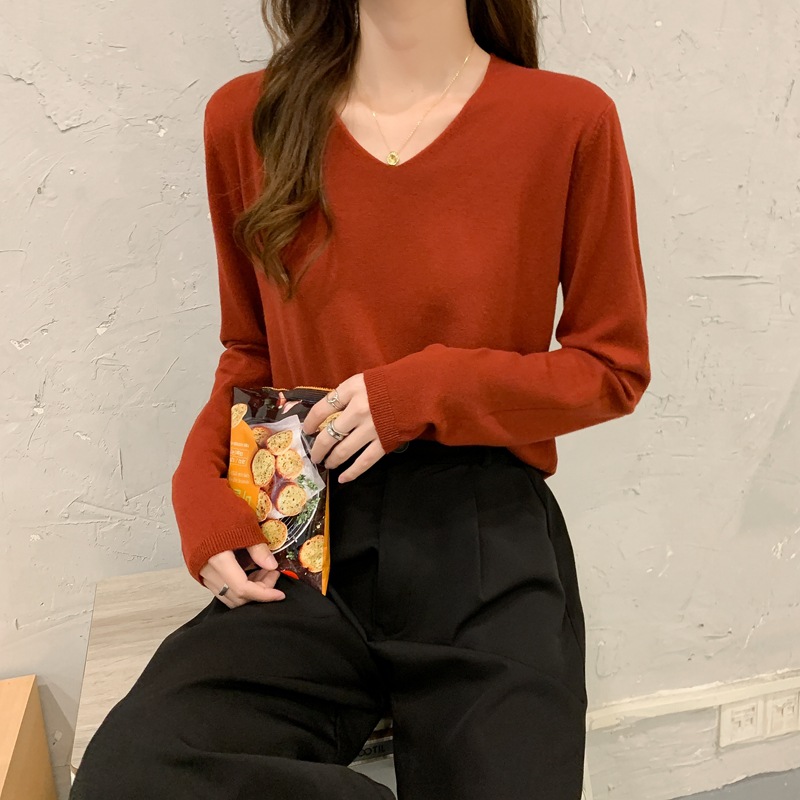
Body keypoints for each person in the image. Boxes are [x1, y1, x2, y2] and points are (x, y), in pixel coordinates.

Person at [69, 0, 650, 798]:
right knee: (136, 778)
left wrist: (425, 388)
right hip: (303, 524)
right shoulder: (250, 118)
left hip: (482, 533)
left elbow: (611, 368)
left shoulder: (566, 120)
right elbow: (250, 352)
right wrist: (197, 486)